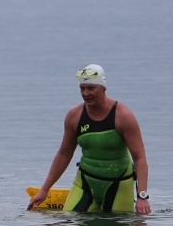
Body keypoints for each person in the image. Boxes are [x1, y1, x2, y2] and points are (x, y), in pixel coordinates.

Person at [28, 64, 151, 214]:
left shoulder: (123, 116)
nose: (86, 93)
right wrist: (44, 190)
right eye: (82, 88)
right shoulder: (74, 116)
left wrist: (142, 196)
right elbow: (64, 154)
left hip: (118, 185)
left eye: (91, 88)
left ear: (103, 88)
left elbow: (140, 158)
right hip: (85, 183)